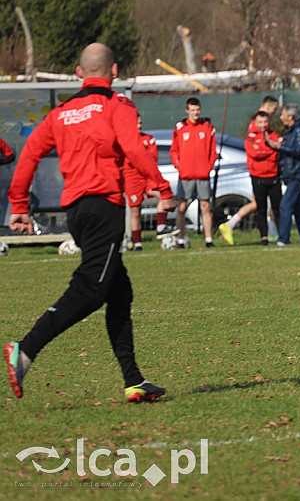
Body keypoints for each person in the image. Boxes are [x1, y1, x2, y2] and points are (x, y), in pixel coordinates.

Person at [4, 42, 178, 401]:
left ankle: (134, 380)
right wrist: (161, 186)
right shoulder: (117, 105)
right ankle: (26, 349)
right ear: (114, 72)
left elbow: (31, 152)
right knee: (92, 288)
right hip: (103, 207)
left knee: (119, 290)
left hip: (78, 213)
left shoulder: (61, 113)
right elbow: (132, 147)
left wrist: (18, 203)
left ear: (79, 74)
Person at [219, 96, 280, 244]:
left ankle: (271, 232)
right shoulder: (256, 123)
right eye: (274, 109)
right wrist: (268, 150)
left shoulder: (266, 124)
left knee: (265, 204)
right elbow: (257, 146)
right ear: (268, 106)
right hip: (258, 171)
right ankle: (230, 225)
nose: (275, 112)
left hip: (268, 170)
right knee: (258, 204)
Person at [170, 97, 218, 248]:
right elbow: (174, 151)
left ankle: (208, 239)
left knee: (205, 207)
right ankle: (180, 239)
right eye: (192, 110)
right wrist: (180, 167)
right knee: (182, 207)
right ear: (187, 110)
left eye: (197, 110)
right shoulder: (180, 128)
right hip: (186, 175)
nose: (195, 113)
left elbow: (212, 151)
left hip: (203, 175)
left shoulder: (208, 127)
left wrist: (208, 167)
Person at [123, 115, 176, 250]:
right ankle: (138, 244)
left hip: (147, 177)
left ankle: (161, 227)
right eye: (136, 123)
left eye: (140, 123)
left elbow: (152, 158)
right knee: (135, 211)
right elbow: (130, 159)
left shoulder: (148, 139)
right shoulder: (126, 141)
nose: (139, 126)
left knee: (166, 197)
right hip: (132, 179)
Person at [267, 103, 300, 245]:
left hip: (297, 173)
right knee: (298, 207)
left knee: (285, 205)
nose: (280, 118)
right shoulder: (291, 130)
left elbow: (298, 151)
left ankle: (283, 238)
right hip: (292, 172)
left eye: (283, 115)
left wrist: (280, 147)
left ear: (290, 116)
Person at [243, 111, 282, 245]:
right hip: (258, 178)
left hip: (273, 177)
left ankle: (280, 234)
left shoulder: (275, 136)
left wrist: (267, 149)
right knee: (261, 208)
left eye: (265, 122)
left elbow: (276, 153)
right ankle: (263, 237)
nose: (263, 125)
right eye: (260, 122)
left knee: (277, 208)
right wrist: (270, 148)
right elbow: (254, 153)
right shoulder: (250, 138)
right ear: (255, 123)